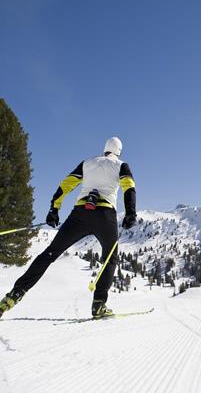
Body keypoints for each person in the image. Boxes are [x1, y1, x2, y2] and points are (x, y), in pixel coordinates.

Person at [0, 136, 137, 319]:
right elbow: (129, 188)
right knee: (110, 259)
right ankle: (99, 305)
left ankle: (14, 295)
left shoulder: (87, 163)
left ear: (104, 149)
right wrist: (130, 213)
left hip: (80, 214)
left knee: (49, 254)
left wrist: (54, 210)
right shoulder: (121, 165)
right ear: (119, 151)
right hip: (105, 215)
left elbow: (66, 185)